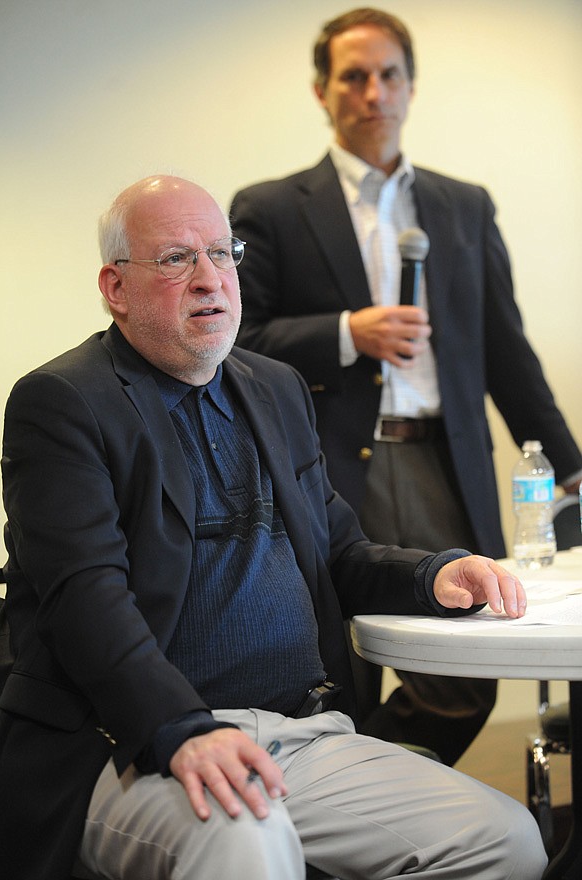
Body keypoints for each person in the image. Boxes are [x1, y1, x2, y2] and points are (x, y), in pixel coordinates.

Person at [0, 174, 548, 880]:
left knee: (506, 839)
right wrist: (180, 730)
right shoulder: (63, 403)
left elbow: (338, 552)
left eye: (222, 253)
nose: (208, 278)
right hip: (126, 740)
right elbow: (84, 600)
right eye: (175, 259)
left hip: (300, 735)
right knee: (247, 843)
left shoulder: (273, 387)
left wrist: (434, 574)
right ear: (115, 287)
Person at [229, 7, 582, 765]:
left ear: (411, 87)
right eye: (353, 76)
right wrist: (344, 333)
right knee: (341, 666)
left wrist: (569, 461)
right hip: (325, 465)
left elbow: (506, 351)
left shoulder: (463, 205)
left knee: (466, 669)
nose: (373, 92)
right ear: (322, 92)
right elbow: (236, 341)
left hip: (442, 463)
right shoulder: (269, 208)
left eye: (389, 75)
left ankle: (358, 791)